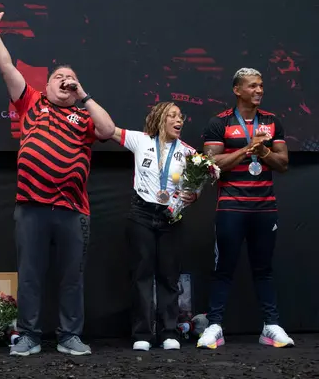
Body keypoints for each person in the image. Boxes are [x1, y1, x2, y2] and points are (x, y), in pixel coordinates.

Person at [0, 1, 116, 357]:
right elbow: (6, 66)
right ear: (47, 82)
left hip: (72, 209)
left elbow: (108, 129)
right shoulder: (31, 102)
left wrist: (82, 95)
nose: (64, 83)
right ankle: (29, 336)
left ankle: (70, 335)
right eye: (59, 78)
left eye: (69, 80)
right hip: (31, 207)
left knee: (71, 279)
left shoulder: (83, 116)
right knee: (31, 277)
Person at [197, 68, 294, 349]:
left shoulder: (272, 122)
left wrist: (263, 152)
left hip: (265, 206)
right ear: (237, 90)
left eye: (261, 86)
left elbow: (283, 163)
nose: (259, 90)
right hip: (231, 206)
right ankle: (214, 325)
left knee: (264, 268)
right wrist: (246, 150)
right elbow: (211, 164)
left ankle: (271, 326)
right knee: (223, 268)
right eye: (253, 86)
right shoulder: (220, 123)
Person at [110, 102, 197, 351]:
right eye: (172, 115)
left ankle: (169, 332)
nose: (178, 120)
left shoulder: (190, 153)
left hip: (171, 217)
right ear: (160, 119)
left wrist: (194, 196)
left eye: (180, 116)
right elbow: (108, 130)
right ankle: (142, 334)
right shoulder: (140, 140)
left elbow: (196, 186)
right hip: (142, 214)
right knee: (142, 276)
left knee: (169, 277)